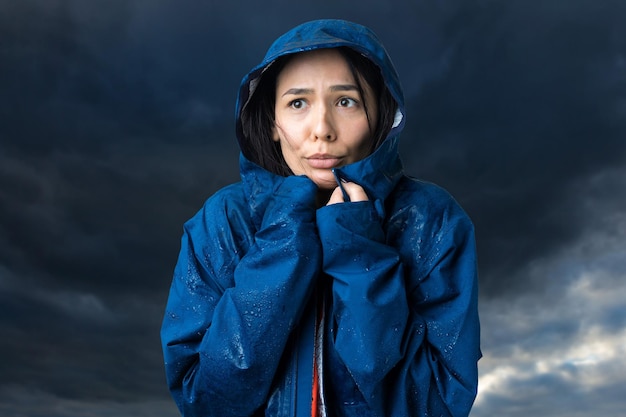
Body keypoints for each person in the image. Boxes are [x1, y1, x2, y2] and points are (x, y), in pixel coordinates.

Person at [161, 19, 481, 417]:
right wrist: (283, 241)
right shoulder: (223, 221)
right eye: (298, 103)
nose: (322, 130)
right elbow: (205, 402)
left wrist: (358, 252)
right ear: (272, 123)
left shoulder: (431, 220)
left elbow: (436, 406)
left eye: (346, 101)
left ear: (380, 113)